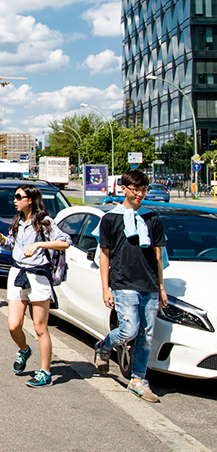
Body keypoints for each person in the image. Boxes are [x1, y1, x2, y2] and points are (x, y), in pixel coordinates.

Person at [92, 169, 168, 402]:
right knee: (129, 330)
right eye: (136, 189)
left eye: (144, 190)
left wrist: (161, 287)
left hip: (149, 284)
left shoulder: (152, 218)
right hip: (123, 283)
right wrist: (105, 287)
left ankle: (138, 380)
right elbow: (104, 255)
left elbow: (158, 256)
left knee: (146, 335)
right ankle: (104, 346)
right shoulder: (110, 219)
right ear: (123, 188)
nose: (140, 195)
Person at [0, 184, 71, 387]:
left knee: (40, 327)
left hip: (38, 276)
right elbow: (11, 246)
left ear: (30, 199)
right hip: (17, 273)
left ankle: (45, 372)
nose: (14, 200)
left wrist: (39, 244)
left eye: (18, 196)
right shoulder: (17, 221)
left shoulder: (44, 222)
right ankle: (24, 350)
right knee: (13, 324)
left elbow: (65, 242)